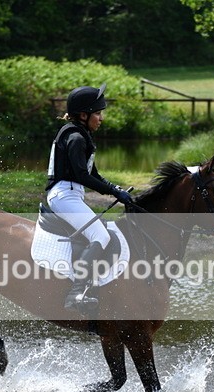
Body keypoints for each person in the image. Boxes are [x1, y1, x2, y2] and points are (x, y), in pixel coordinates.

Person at [46, 83, 133, 315]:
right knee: (100, 234)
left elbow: (92, 174)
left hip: (70, 194)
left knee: (98, 232)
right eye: (97, 113)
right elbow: (82, 175)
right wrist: (114, 192)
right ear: (83, 115)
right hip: (64, 195)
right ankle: (76, 293)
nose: (101, 118)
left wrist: (114, 187)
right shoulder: (75, 138)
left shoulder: (79, 134)